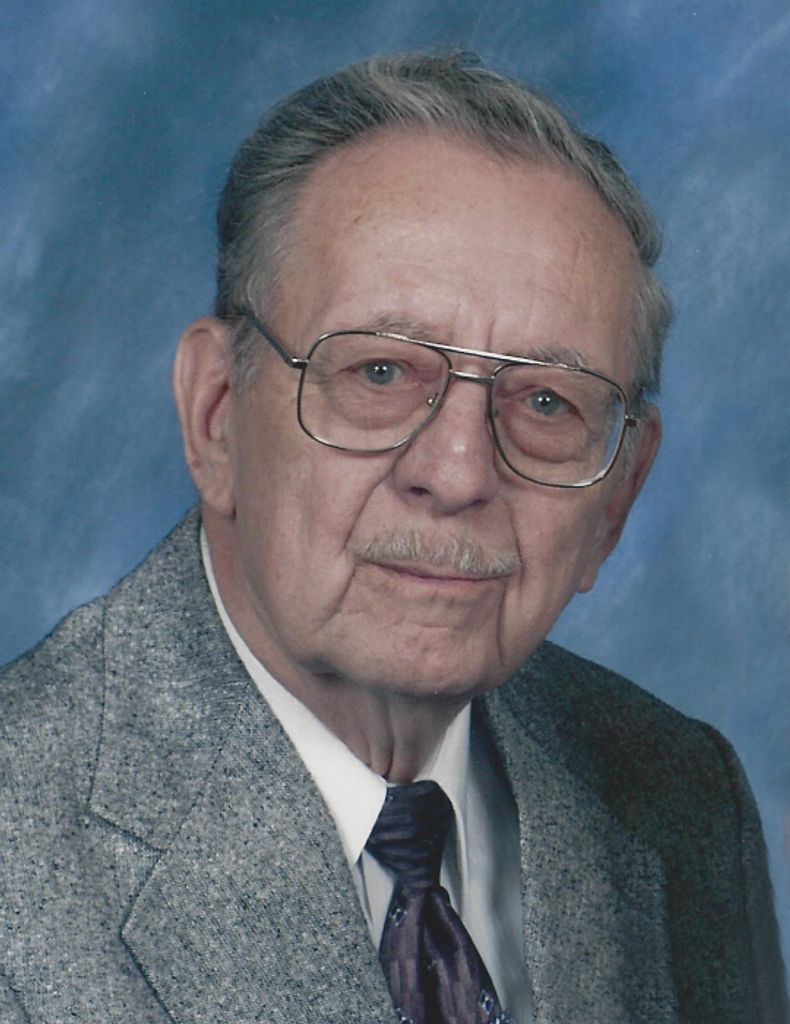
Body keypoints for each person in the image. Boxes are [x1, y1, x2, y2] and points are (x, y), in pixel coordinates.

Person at [0, 51, 786, 1024]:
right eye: (379, 373)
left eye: (547, 401)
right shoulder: (21, 839)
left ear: (618, 496)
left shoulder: (681, 796)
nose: (456, 474)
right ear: (217, 416)